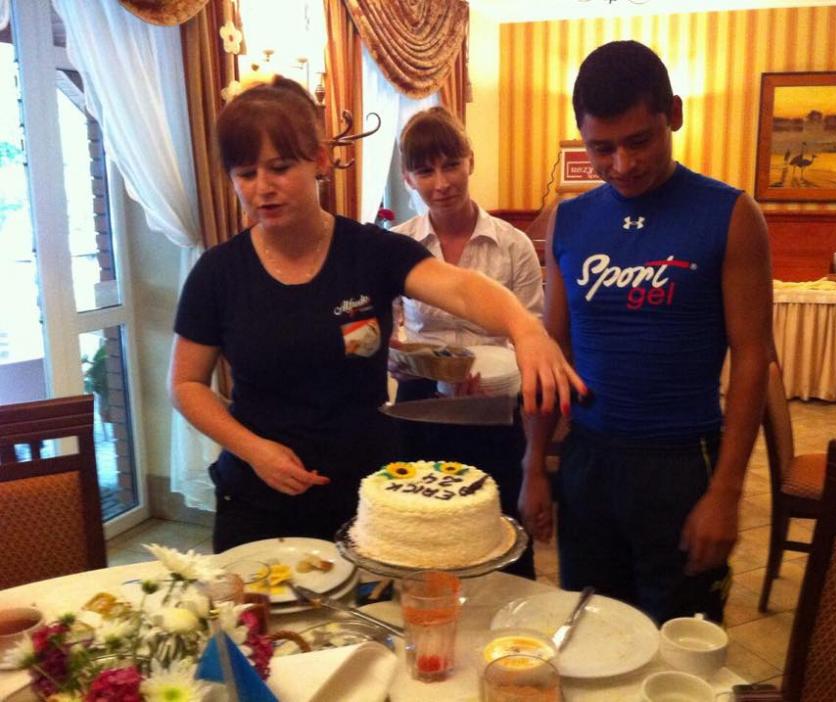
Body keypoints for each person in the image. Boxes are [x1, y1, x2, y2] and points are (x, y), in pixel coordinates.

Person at [168, 76, 585, 553]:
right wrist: (254, 450)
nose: (263, 189)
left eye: (280, 168)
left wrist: (524, 327)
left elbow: (462, 290)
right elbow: (185, 385)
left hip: (367, 497)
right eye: (245, 174)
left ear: (319, 160)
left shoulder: (371, 252)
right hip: (257, 495)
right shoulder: (218, 272)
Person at [520, 41, 773, 624]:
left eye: (640, 141)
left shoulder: (731, 215)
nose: (622, 165)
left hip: (684, 463)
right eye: (601, 148)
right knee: (590, 632)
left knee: (679, 645)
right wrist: (534, 465)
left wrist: (726, 494)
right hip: (589, 461)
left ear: (673, 115)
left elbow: (755, 360)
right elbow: (550, 352)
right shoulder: (572, 218)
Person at [390, 107, 544, 578]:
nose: (442, 182)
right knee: (426, 538)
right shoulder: (398, 245)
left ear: (470, 161)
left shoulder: (512, 244)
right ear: (408, 177)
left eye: (451, 164)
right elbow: (389, 334)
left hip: (494, 408)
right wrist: (414, 365)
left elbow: (532, 333)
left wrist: (496, 379)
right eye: (425, 170)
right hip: (422, 409)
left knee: (498, 536)